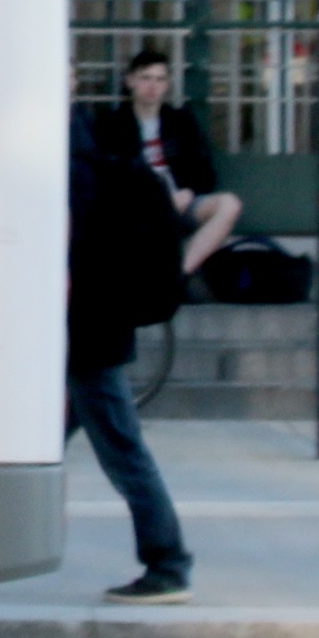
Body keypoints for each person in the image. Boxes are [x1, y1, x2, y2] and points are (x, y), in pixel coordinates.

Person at [65, 93, 196, 601]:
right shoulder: (104, 168)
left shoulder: (75, 178)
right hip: (101, 329)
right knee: (39, 442)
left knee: (124, 452)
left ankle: (168, 563)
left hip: (89, 338)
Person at [103, 48, 245, 287]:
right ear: (130, 81)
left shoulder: (180, 121)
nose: (152, 86)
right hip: (139, 207)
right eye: (146, 78)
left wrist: (187, 193)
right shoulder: (112, 124)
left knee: (229, 205)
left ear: (167, 85)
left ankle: (176, 275)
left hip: (180, 203)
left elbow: (205, 172)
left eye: (160, 79)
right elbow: (110, 176)